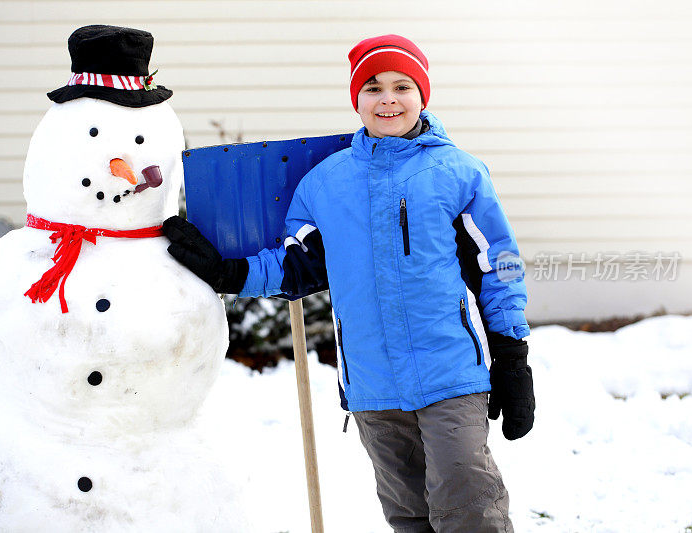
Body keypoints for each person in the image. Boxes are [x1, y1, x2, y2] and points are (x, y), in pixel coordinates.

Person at [164, 34, 534, 533]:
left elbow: (499, 266)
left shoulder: (458, 172)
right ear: (356, 99)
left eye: (402, 86)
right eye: (373, 87)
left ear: (422, 96)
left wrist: (512, 357)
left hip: (450, 373)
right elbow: (295, 266)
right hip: (372, 384)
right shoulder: (325, 182)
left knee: (468, 503)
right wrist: (229, 273)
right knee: (408, 514)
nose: (388, 99)